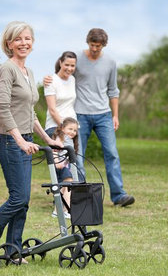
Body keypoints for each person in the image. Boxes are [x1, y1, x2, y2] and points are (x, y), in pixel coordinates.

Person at [0, 21, 62, 265]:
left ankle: (13, 250)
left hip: (27, 140)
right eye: (18, 39)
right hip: (10, 141)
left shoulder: (28, 71)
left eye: (27, 39)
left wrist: (48, 140)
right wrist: (20, 140)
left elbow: (30, 111)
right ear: (9, 44)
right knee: (18, 198)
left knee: (22, 202)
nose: (24, 43)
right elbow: (2, 107)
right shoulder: (7, 69)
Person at [44, 28, 135, 207]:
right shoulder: (77, 59)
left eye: (98, 46)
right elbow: (64, 74)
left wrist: (115, 115)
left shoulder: (110, 62)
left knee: (112, 154)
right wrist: (48, 79)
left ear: (104, 45)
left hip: (103, 114)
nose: (95, 49)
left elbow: (113, 90)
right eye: (92, 45)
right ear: (88, 42)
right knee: (77, 155)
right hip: (80, 116)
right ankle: (79, 194)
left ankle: (118, 196)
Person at [51, 117, 79, 219]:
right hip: (61, 167)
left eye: (75, 130)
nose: (72, 132)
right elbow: (54, 150)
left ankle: (56, 211)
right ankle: (66, 210)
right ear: (63, 128)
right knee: (68, 187)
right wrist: (57, 162)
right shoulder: (61, 137)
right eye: (70, 129)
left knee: (63, 189)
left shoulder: (70, 140)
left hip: (66, 167)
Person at [44, 51, 77, 138]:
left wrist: (71, 129)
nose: (69, 68)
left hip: (72, 127)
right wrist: (64, 128)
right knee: (60, 152)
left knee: (78, 152)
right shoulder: (51, 81)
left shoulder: (72, 79)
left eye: (72, 66)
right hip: (55, 127)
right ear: (60, 63)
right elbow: (52, 110)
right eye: (67, 65)